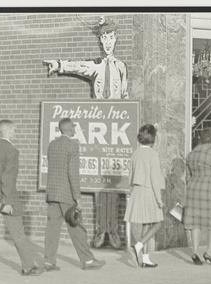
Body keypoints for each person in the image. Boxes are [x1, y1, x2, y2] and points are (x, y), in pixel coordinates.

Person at [43, 17, 128, 250]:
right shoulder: (97, 65)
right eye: (103, 38)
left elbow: (126, 98)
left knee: (116, 185)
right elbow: (79, 66)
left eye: (110, 37)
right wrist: (60, 65)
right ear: (100, 42)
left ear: (115, 39)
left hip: (116, 131)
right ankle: (102, 231)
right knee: (102, 187)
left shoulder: (121, 67)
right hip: (101, 129)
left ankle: (114, 231)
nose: (107, 42)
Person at [0, 120, 41, 276]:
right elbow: (8, 179)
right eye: (14, 130)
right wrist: (6, 202)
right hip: (6, 199)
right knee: (18, 232)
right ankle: (28, 266)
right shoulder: (12, 151)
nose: (15, 133)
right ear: (9, 130)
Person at [44, 118, 105, 270]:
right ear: (69, 129)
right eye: (73, 127)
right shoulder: (72, 146)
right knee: (76, 227)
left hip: (52, 193)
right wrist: (78, 198)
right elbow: (73, 174)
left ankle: (49, 262)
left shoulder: (52, 145)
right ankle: (88, 261)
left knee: (52, 229)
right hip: (66, 194)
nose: (75, 129)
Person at [124, 124, 165, 268]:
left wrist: (131, 189)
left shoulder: (135, 153)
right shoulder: (153, 155)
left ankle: (145, 258)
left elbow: (130, 175)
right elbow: (155, 178)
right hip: (149, 191)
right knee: (157, 223)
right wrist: (159, 200)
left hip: (136, 190)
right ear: (153, 139)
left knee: (144, 225)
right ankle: (139, 246)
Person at [184, 127, 211, 265]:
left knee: (195, 223)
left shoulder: (191, 154)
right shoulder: (210, 153)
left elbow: (188, 174)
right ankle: (209, 252)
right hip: (208, 190)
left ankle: (195, 252)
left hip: (193, 190)